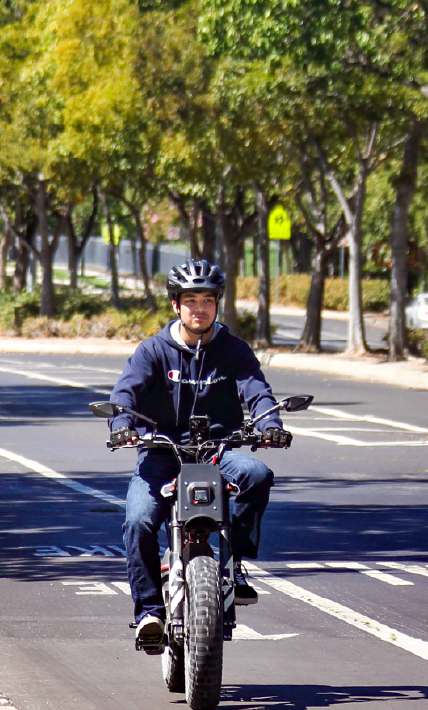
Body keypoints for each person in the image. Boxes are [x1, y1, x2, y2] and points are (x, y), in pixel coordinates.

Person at [107, 259, 292, 653]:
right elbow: (125, 395)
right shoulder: (153, 350)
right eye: (191, 300)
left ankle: (234, 561)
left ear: (218, 304)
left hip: (217, 452)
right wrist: (121, 425)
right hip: (162, 454)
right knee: (138, 519)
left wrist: (270, 423)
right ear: (176, 305)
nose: (200, 308)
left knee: (257, 474)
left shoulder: (234, 350)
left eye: (208, 300)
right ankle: (149, 614)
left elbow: (257, 392)